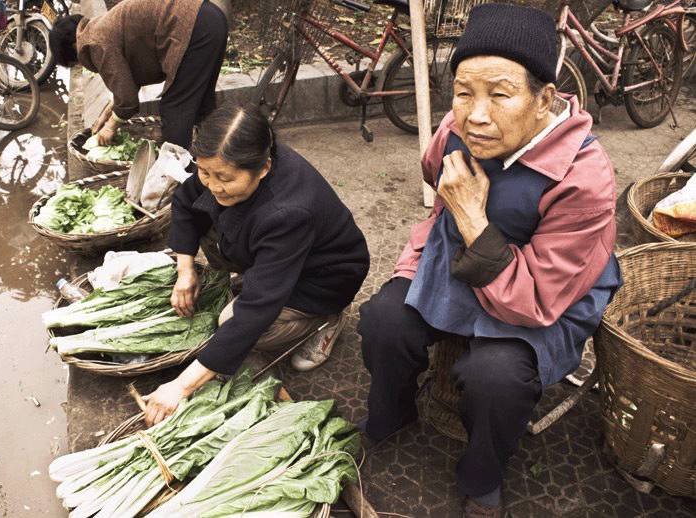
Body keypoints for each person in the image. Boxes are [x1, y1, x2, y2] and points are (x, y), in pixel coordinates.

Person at [357, 4, 622, 517]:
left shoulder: (584, 178)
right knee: (383, 323)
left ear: (544, 99)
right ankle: (393, 415)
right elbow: (435, 174)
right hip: (458, 258)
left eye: (500, 95)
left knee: (496, 378)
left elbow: (536, 300)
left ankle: (482, 474)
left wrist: (474, 218)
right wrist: (433, 241)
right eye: (463, 92)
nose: (475, 115)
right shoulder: (461, 131)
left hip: (545, 296)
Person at [142, 104, 370, 426]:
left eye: (224, 178)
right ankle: (257, 273)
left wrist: (182, 385)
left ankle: (328, 319)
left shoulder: (289, 211)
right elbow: (184, 202)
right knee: (206, 218)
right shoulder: (224, 160)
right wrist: (185, 270)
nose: (213, 184)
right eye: (205, 172)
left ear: (263, 168)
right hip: (278, 253)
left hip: (324, 277)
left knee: (232, 320)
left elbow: (257, 308)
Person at [48, 0, 228, 148]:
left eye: (76, 63)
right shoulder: (98, 28)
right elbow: (125, 81)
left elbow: (128, 100)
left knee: (174, 109)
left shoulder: (94, 43)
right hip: (211, 18)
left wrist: (110, 127)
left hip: (193, 28)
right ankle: (216, 153)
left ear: (73, 48)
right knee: (202, 103)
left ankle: (176, 177)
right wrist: (106, 114)